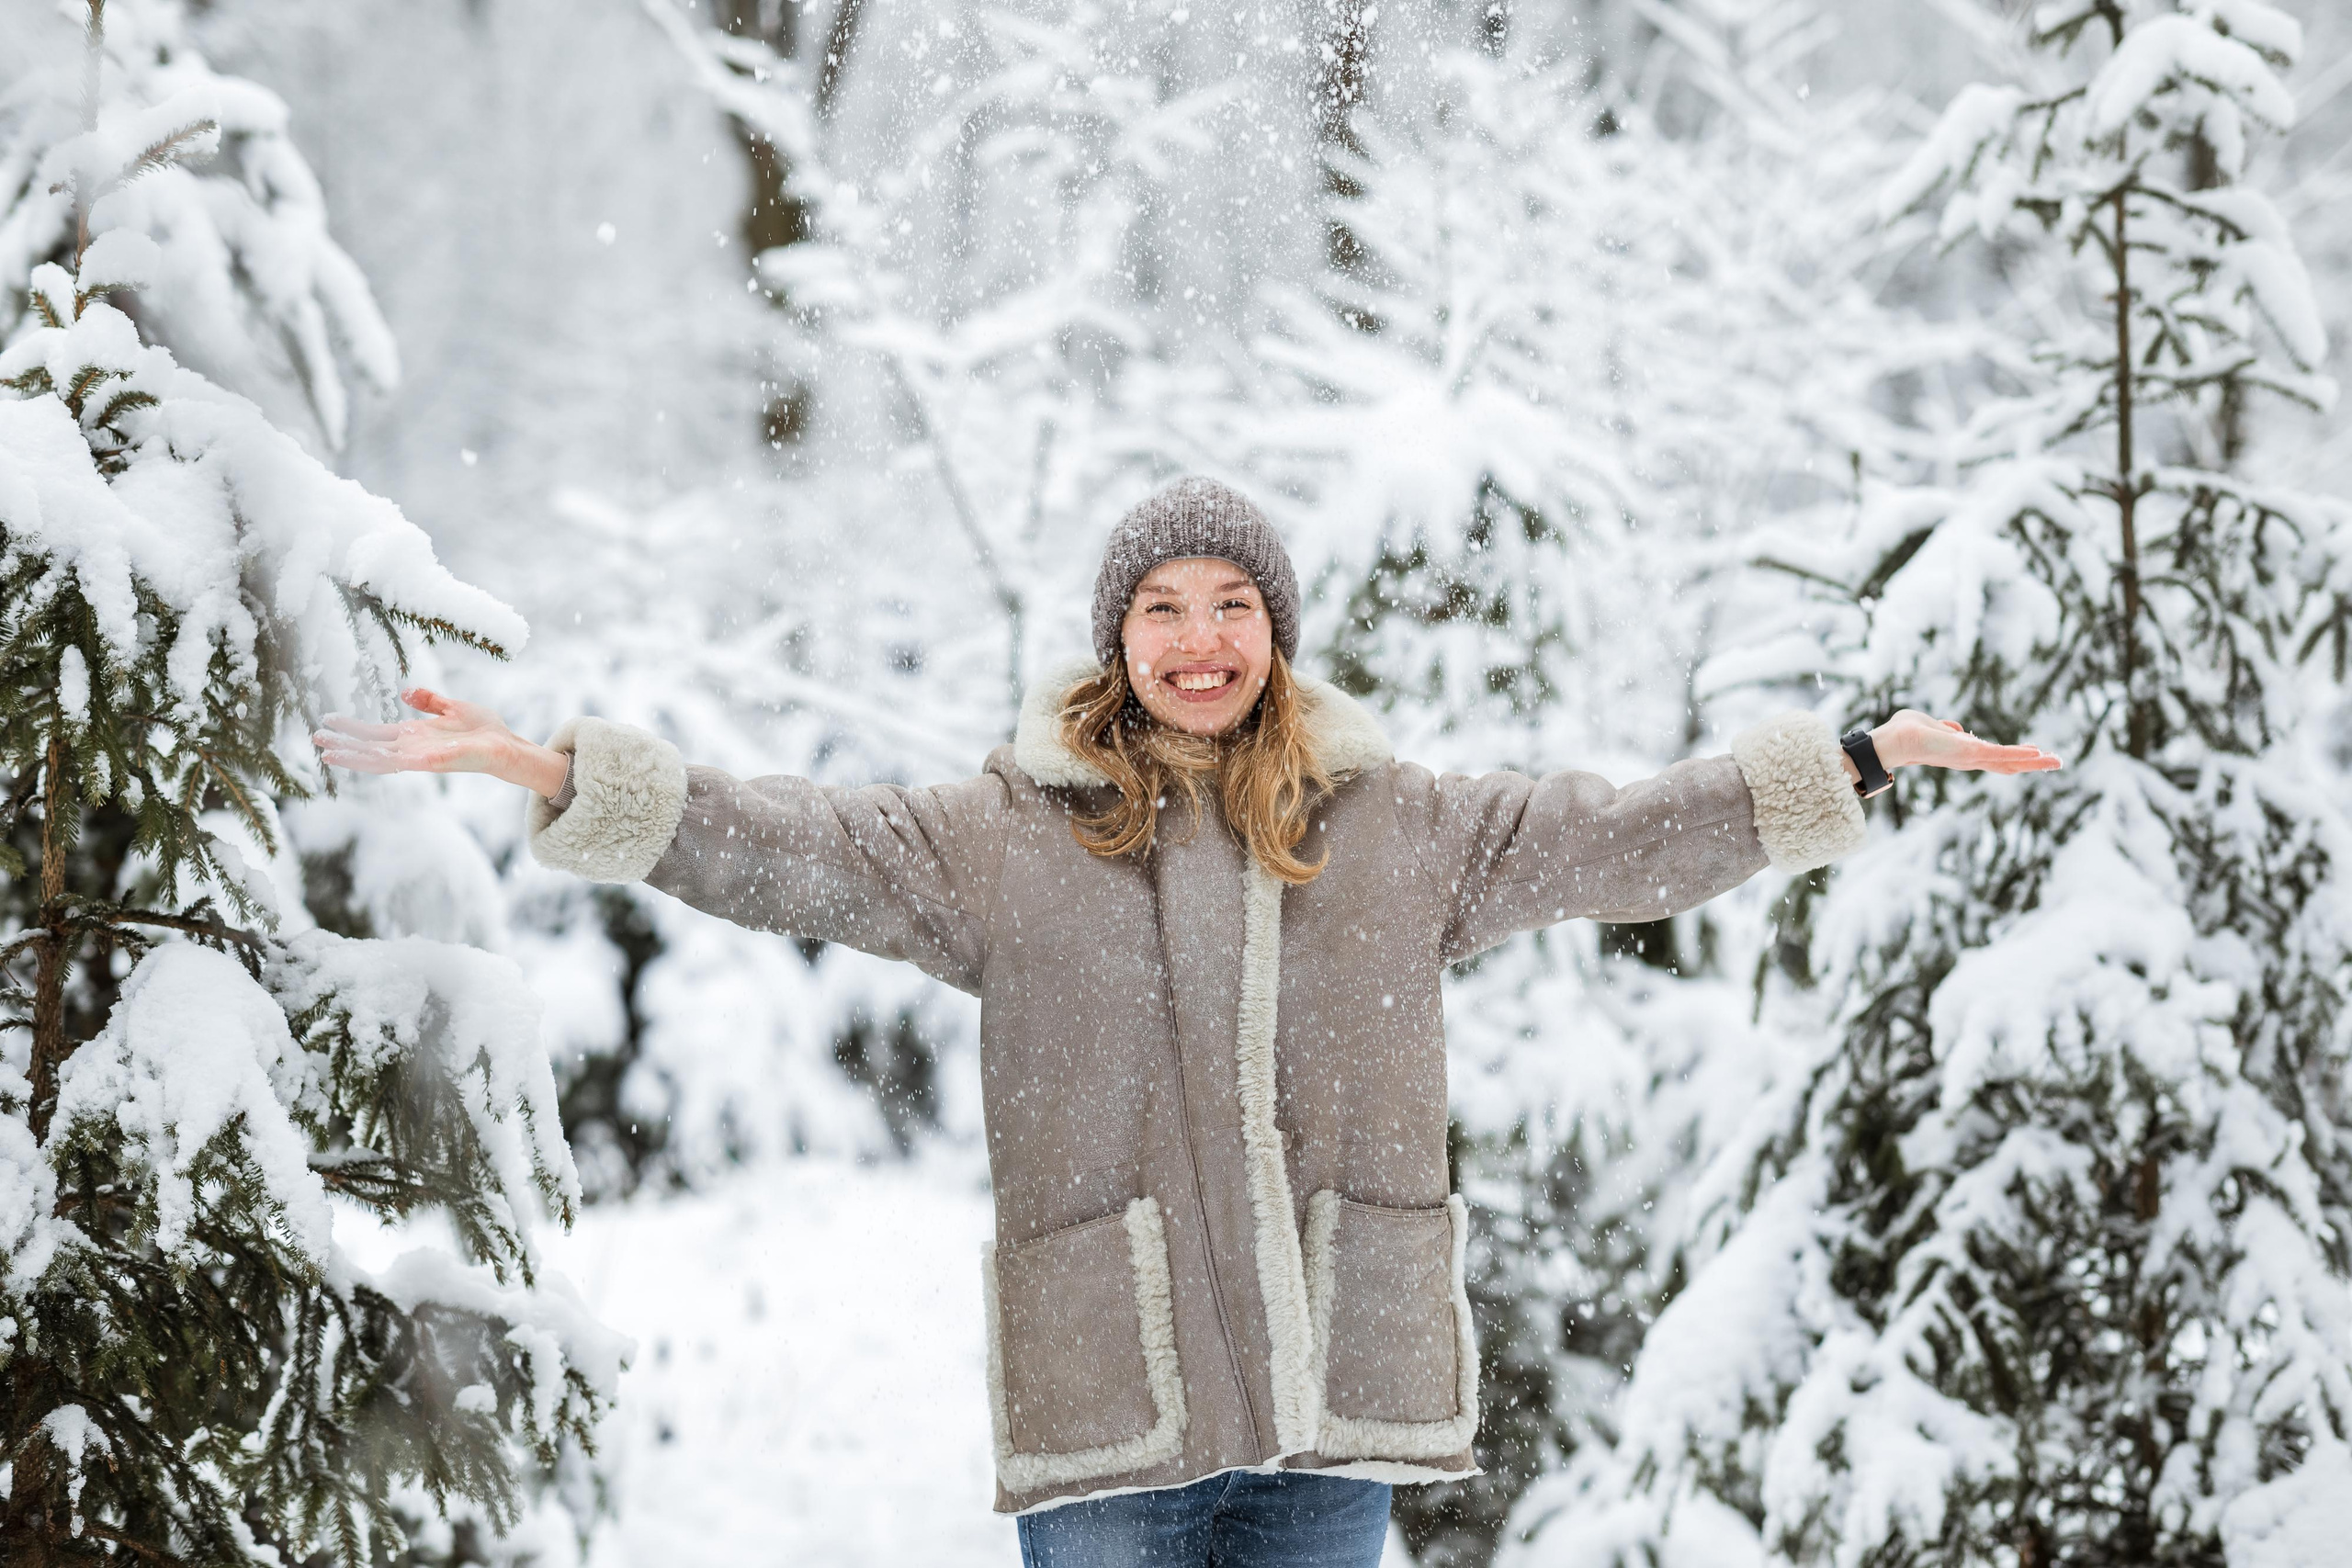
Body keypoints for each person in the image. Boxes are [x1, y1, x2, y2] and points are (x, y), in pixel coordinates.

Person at [314, 477, 2059, 1567]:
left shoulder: (1403, 827)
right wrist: (561, 770)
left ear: (1277, 640)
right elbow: (785, 844)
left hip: (1331, 1406)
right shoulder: (1001, 837)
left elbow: (1624, 839)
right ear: (1116, 637)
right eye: (1165, 605)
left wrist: (1851, 759)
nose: (1201, 637)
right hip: (1117, 1410)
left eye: (1235, 605)